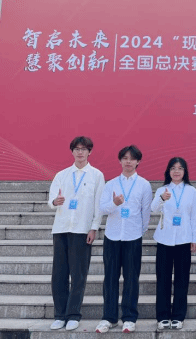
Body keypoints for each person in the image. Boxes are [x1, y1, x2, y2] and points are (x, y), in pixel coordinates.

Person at [48, 136, 104, 331]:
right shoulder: (62, 175)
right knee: (59, 275)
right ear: (72, 151)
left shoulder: (96, 175)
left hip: (82, 230)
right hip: (61, 228)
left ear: (90, 152)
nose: (80, 152)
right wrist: (55, 202)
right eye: (77, 149)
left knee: (78, 275)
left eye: (84, 149)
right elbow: (52, 198)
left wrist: (94, 228)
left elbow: (98, 204)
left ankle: (73, 314)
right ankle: (59, 315)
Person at [95, 145, 152, 333]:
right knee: (110, 278)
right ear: (120, 160)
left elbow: (145, 213)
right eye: (125, 158)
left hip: (133, 237)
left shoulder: (144, 185)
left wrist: (139, 232)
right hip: (112, 236)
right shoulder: (111, 184)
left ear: (138, 161)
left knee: (131, 278)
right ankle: (109, 317)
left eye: (132, 158)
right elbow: (102, 208)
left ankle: (129, 317)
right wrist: (114, 203)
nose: (128, 161)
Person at [151, 157, 196, 330]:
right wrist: (162, 198)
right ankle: (163, 316)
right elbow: (153, 208)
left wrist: (194, 239)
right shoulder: (162, 189)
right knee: (163, 279)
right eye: (173, 168)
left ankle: (178, 316)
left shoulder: (191, 191)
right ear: (168, 171)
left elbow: (194, 217)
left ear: (185, 171)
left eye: (180, 168)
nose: (176, 171)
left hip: (184, 240)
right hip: (164, 239)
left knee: (182, 279)